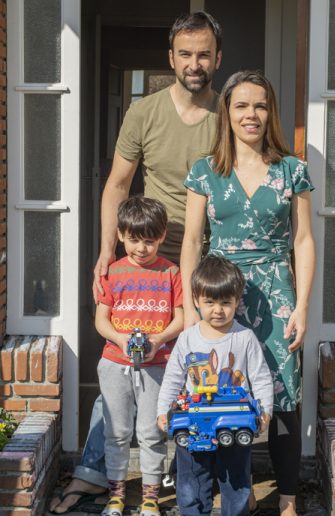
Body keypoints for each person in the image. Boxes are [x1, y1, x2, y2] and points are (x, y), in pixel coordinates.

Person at [49, 11, 222, 515]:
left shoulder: (229, 114)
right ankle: (96, 472)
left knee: (197, 369)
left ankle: (188, 480)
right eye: (185, 54)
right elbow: (118, 186)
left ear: (218, 58)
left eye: (204, 53)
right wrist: (107, 250)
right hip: (149, 253)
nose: (195, 63)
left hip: (209, 260)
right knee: (126, 362)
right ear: (171, 58)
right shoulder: (145, 112)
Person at [180, 71, 316, 516]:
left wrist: (301, 305)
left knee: (283, 395)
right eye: (241, 105)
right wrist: (188, 309)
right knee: (216, 389)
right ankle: (229, 492)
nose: (251, 114)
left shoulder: (292, 169)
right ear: (228, 112)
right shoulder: (205, 171)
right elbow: (191, 241)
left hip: (276, 294)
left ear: (270, 112)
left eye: (259, 105)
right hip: (219, 293)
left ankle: (290, 498)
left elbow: (303, 241)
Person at [157, 256, 273, 516]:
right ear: (196, 300)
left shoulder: (244, 338)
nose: (217, 310)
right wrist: (163, 410)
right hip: (194, 421)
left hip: (234, 420)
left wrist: (265, 410)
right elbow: (173, 377)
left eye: (225, 302)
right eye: (209, 302)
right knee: (191, 480)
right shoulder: (187, 338)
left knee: (237, 480)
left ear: (236, 301)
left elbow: (261, 377)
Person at [96, 196, 183, 516]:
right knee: (116, 433)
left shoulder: (171, 272)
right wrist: (120, 339)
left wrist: (159, 339)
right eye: (134, 240)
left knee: (152, 433)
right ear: (120, 235)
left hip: (157, 365)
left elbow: (182, 316)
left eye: (149, 240)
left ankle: (150, 497)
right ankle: (115, 495)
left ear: (161, 236)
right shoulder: (112, 272)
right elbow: (101, 319)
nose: (141, 248)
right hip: (114, 364)